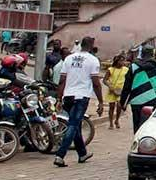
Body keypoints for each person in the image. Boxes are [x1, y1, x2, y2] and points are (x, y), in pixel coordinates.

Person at [54, 36, 103, 167]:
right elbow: (96, 83)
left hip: (68, 96)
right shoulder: (93, 60)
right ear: (92, 45)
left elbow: (62, 80)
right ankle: (60, 155)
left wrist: (59, 98)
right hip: (81, 97)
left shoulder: (69, 58)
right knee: (73, 124)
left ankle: (82, 154)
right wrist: (101, 101)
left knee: (76, 125)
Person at [120, 45, 156, 132]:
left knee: (137, 125)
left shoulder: (133, 67)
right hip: (154, 100)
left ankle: (138, 142)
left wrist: (123, 103)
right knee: (152, 126)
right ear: (153, 54)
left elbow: (126, 87)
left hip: (137, 101)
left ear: (142, 53)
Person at [103, 55, 128, 130]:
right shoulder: (110, 69)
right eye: (120, 61)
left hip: (121, 90)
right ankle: (111, 122)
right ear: (116, 61)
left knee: (119, 106)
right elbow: (104, 80)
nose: (122, 62)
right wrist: (109, 85)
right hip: (112, 90)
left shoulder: (126, 70)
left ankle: (117, 120)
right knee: (111, 107)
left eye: (123, 61)